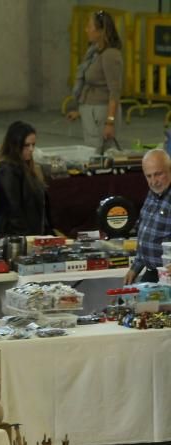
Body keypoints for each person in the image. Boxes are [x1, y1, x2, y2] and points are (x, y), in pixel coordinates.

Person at [66, 10, 123, 154]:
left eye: (89, 27)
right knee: (91, 153)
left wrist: (110, 122)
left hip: (101, 112)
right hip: (90, 111)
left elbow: (114, 91)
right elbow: (88, 83)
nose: (86, 30)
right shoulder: (94, 52)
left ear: (101, 31)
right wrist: (80, 112)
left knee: (101, 155)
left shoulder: (110, 55)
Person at [0, 121, 50, 237]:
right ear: (15, 145)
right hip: (17, 238)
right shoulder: (7, 171)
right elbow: (14, 211)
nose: (32, 149)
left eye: (33, 144)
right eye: (27, 145)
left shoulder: (26, 167)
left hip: (30, 235)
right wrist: (28, 239)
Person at [126, 148, 171, 284]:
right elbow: (145, 234)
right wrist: (135, 267)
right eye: (148, 176)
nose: (153, 181)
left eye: (158, 174)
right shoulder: (153, 193)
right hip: (152, 273)